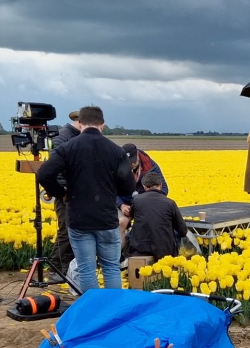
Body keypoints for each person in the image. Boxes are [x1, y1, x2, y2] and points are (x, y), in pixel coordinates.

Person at [37, 106, 135, 293]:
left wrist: (60, 193)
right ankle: (112, 311)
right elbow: (128, 187)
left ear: (80, 123)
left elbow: (44, 174)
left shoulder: (68, 148)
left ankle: (92, 313)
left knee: (87, 269)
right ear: (102, 125)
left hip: (79, 218)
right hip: (106, 218)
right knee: (111, 268)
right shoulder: (116, 151)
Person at [46, 109, 82, 282]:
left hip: (78, 192)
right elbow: (55, 166)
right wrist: (63, 190)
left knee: (74, 229)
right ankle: (56, 268)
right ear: (80, 122)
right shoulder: (62, 137)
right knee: (65, 230)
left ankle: (66, 268)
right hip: (65, 193)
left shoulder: (76, 137)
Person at [118, 143, 169, 250]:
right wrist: (121, 205)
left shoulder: (151, 166)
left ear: (137, 154)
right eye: (128, 163)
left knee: (149, 224)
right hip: (125, 205)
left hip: (145, 204)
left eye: (133, 161)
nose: (131, 164)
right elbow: (110, 190)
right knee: (121, 223)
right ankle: (118, 258)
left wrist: (147, 200)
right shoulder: (116, 166)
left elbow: (164, 188)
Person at [128, 172, 187, 261]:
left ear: (144, 186)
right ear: (160, 185)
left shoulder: (136, 200)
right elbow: (183, 230)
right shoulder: (170, 203)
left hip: (140, 249)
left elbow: (130, 217)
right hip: (165, 252)